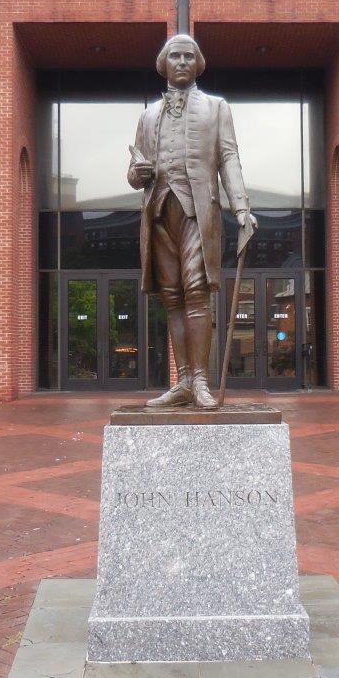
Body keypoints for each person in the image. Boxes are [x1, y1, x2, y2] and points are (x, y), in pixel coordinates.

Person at [127, 34, 256, 409]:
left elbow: (229, 157)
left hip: (198, 212)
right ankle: (182, 380)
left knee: (196, 291)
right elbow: (134, 175)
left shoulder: (217, 108)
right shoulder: (148, 116)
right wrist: (139, 172)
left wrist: (241, 207)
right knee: (171, 298)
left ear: (197, 64)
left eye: (188, 56)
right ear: (164, 63)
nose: (181, 62)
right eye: (174, 56)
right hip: (158, 212)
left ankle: (200, 379)